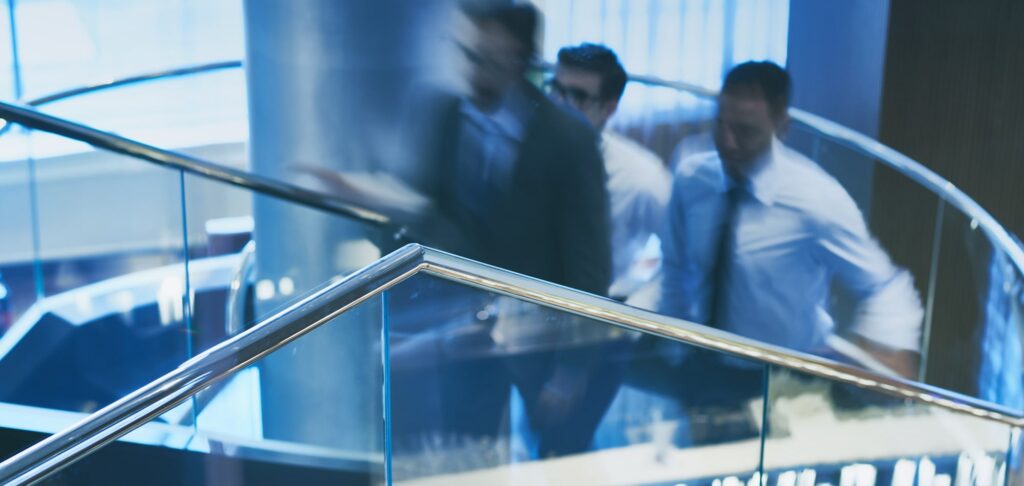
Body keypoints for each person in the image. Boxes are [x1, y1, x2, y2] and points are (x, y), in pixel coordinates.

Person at [390, 3, 614, 460]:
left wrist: (572, 370)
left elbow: (588, 264)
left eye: (488, 59)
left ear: (520, 60)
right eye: (469, 56)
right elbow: (426, 213)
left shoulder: (567, 140)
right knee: (466, 454)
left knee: (557, 459)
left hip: (542, 339)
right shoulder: (446, 116)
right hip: (462, 336)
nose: (473, 71)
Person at [659, 61, 924, 377]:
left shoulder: (816, 199)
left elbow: (885, 285)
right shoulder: (692, 179)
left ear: (780, 124)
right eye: (721, 126)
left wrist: (881, 352)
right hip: (697, 362)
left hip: (780, 377)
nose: (728, 143)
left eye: (745, 131)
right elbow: (674, 269)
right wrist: (669, 347)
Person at [549, 43, 671, 302]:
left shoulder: (642, 176)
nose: (558, 106)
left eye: (576, 97)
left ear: (609, 109)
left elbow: (680, 257)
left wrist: (636, 310)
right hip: (523, 302)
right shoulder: (523, 148)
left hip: (598, 313)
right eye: (556, 90)